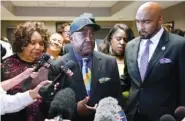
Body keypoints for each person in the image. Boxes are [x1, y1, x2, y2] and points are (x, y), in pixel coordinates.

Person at [48, 15, 124, 121]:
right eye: (83, 34)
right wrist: (76, 108)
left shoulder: (109, 62)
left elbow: (117, 97)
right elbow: (52, 104)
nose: (89, 39)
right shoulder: (58, 66)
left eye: (92, 34)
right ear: (71, 38)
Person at [123, 2, 185, 121]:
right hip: (133, 114)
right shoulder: (130, 46)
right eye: (137, 21)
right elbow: (127, 80)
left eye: (146, 22)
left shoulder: (178, 45)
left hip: (164, 115)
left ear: (160, 20)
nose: (140, 27)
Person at [1, 21, 49, 121]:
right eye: (33, 43)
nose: (38, 47)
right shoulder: (5, 65)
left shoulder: (47, 65)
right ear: (22, 43)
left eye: (41, 43)